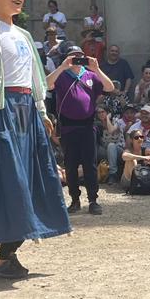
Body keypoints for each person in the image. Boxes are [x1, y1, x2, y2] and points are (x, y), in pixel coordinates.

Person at [0, 0, 71, 278]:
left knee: (33, 178)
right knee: (13, 181)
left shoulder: (24, 34)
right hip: (1, 111)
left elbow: (35, 77)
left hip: (26, 109)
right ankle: (5, 254)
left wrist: (41, 111)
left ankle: (7, 253)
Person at [47, 44, 115, 215]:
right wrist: (63, 66)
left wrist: (97, 69)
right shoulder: (62, 76)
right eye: (73, 56)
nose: (77, 59)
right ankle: (75, 200)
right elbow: (46, 84)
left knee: (90, 165)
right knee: (70, 165)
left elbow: (109, 88)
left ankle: (93, 200)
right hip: (68, 127)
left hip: (87, 126)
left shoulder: (91, 75)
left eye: (80, 55)